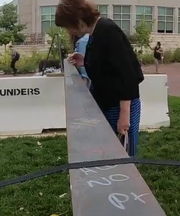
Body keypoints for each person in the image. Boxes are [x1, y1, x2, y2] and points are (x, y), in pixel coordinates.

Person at [55, 0, 144, 157]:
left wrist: (124, 115)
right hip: (109, 103)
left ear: (79, 20)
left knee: (123, 154)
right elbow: (107, 64)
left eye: (68, 25)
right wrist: (84, 60)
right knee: (111, 152)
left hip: (120, 105)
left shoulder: (107, 30)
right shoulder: (95, 33)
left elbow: (127, 74)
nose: (70, 30)